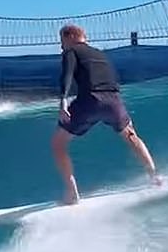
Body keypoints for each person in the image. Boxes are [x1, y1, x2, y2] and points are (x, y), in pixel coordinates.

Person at [51, 24, 160, 204]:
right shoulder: (101, 55)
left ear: (69, 37)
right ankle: (154, 177)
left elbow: (67, 75)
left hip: (90, 100)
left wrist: (63, 100)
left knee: (58, 143)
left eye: (62, 41)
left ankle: (72, 192)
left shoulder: (71, 52)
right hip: (114, 101)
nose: (61, 46)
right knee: (131, 135)